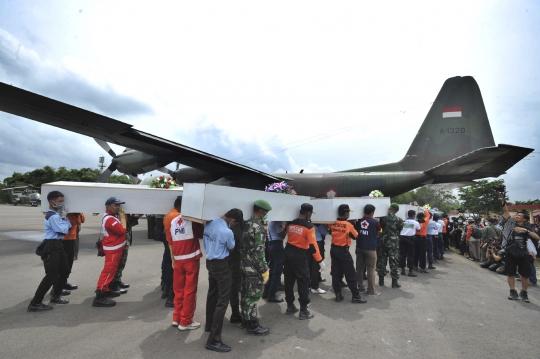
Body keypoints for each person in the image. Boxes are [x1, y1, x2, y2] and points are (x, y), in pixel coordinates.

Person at [203, 208, 243, 353]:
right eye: (235, 223)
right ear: (233, 221)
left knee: (212, 294)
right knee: (223, 301)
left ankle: (209, 325)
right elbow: (232, 247)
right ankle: (214, 340)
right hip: (222, 265)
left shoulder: (210, 222)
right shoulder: (227, 232)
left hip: (210, 262)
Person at [28, 191, 72, 312]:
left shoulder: (57, 215)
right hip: (52, 245)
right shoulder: (52, 216)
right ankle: (35, 302)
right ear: (51, 202)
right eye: (59, 201)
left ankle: (56, 295)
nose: (62, 204)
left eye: (62, 201)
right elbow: (63, 230)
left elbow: (69, 226)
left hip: (58, 244)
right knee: (51, 275)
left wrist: (64, 221)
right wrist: (64, 220)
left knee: (65, 270)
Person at [166, 196, 204, 331]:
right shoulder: (192, 220)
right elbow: (201, 233)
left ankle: (177, 318)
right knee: (190, 291)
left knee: (178, 290)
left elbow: (170, 240)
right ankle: (186, 321)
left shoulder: (173, 220)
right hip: (191, 260)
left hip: (178, 260)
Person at [496, 192, 540, 303]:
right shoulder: (510, 223)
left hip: (523, 253)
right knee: (510, 272)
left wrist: (526, 230)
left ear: (525, 219)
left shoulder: (527, 227)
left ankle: (524, 293)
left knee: (525, 274)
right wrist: (503, 198)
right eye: (516, 215)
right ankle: (512, 291)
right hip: (510, 252)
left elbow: (537, 237)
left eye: (519, 215)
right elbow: (505, 210)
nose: (517, 216)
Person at [284, 203, 323, 320]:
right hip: (299, 255)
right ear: (308, 213)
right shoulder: (309, 226)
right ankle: (303, 310)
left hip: (288, 252)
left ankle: (290, 306)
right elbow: (313, 245)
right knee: (304, 281)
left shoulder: (290, 222)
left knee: (289, 280)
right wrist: (319, 260)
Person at [240, 200, 272, 335]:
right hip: (254, 267)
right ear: (261, 211)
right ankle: (253, 325)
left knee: (246, 294)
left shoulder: (247, 223)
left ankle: (245, 319)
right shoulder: (258, 227)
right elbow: (259, 252)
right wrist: (264, 269)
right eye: (266, 212)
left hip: (244, 264)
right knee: (253, 296)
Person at [93, 197, 127, 307]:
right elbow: (122, 231)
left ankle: (106, 289)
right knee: (108, 271)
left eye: (119, 205)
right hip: (112, 249)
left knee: (112, 271)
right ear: (107, 206)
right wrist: (123, 219)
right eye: (115, 205)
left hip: (116, 248)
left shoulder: (112, 216)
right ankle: (100, 295)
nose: (118, 207)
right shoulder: (110, 219)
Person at [329, 204, 366, 303]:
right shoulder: (348, 225)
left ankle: (338, 294)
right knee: (350, 273)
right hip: (343, 251)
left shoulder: (332, 222)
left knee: (336, 272)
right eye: (348, 212)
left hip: (333, 249)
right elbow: (355, 236)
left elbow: (329, 229)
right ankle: (356, 296)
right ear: (346, 213)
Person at [355, 204, 381, 295]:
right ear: (372, 212)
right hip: (370, 248)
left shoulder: (358, 221)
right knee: (371, 269)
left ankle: (360, 286)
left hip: (360, 246)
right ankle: (371, 290)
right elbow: (379, 229)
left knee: (359, 268)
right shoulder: (375, 222)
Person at [377, 203, 404, 288]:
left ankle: (381, 280)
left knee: (382, 260)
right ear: (396, 211)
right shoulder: (399, 220)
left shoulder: (383, 218)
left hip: (383, 242)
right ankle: (394, 282)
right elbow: (400, 230)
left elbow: (380, 227)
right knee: (394, 262)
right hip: (393, 243)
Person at [110, 214, 137, 296]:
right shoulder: (117, 214)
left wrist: (136, 216)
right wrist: (136, 217)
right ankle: (113, 284)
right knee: (118, 262)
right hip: (120, 241)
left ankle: (117, 280)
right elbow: (125, 225)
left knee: (122, 262)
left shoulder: (124, 213)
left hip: (125, 239)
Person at [264, 221, 286, 302]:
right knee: (277, 270)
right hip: (276, 244)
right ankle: (272, 294)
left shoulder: (271, 220)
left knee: (272, 269)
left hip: (271, 243)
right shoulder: (276, 222)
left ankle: (266, 290)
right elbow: (282, 235)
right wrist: (287, 227)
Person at [61, 213, 85, 291]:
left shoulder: (76, 213)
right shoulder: (67, 213)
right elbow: (76, 221)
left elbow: (82, 220)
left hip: (72, 238)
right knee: (63, 264)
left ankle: (64, 282)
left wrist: (79, 213)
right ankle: (57, 286)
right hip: (65, 240)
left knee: (69, 262)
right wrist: (78, 214)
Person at [399, 209, 420, 277]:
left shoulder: (403, 222)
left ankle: (402, 270)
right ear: (414, 215)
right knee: (410, 255)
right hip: (410, 239)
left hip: (402, 239)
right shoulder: (415, 222)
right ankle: (410, 271)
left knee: (402, 254)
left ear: (407, 215)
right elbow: (418, 229)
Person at [414, 209, 430, 273]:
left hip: (416, 238)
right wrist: (424, 209)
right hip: (422, 238)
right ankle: (422, 267)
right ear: (423, 217)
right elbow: (428, 215)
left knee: (416, 252)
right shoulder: (425, 221)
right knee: (422, 253)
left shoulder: (415, 222)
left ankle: (415, 266)